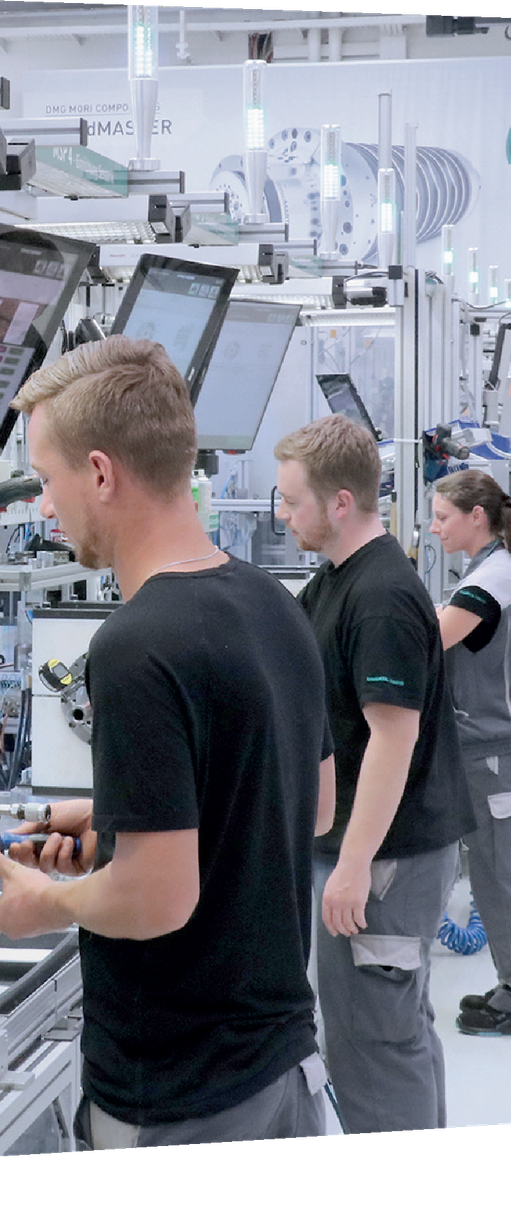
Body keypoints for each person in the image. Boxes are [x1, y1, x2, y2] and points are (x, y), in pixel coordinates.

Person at [0, 336, 333, 1150]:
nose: (44, 507)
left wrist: (44, 901)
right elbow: (310, 805)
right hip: (282, 1070)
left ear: (100, 474)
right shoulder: (275, 604)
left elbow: (159, 898)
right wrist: (122, 818)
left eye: (46, 479)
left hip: (182, 1095)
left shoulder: (136, 645)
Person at [275, 415, 475, 1133]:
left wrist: (354, 864)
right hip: (372, 848)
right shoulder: (336, 579)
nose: (282, 515)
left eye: (292, 500)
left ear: (339, 502)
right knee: (394, 1029)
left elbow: (394, 736)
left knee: (373, 1043)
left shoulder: (381, 593)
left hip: (385, 858)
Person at [429, 469, 511, 1036]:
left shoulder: (490, 581)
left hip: (493, 750)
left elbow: (427, 641)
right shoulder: (490, 571)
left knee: (498, 875)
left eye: (442, 518)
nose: (435, 529)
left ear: (476, 517)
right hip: (486, 748)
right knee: (492, 870)